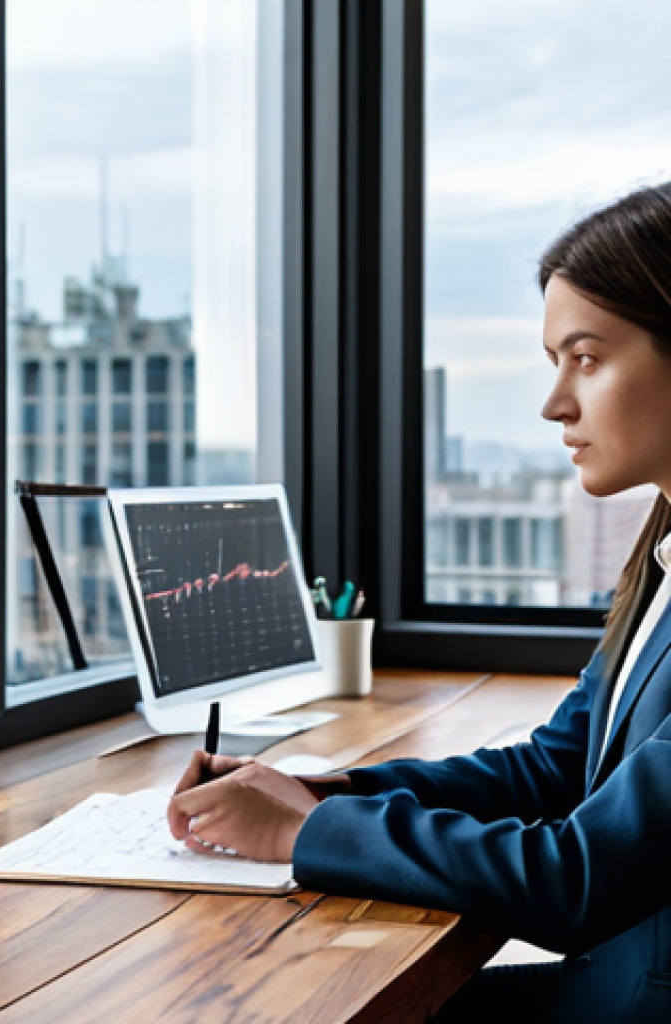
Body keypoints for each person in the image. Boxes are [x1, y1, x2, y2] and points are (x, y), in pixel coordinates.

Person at [167, 182, 671, 1024]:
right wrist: (319, 794)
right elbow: (552, 769)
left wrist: (302, 836)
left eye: (586, 357)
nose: (555, 405)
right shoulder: (661, 557)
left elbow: (576, 876)